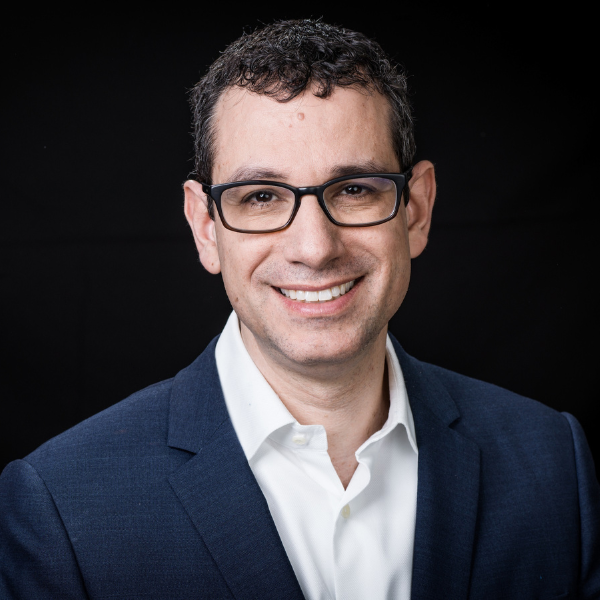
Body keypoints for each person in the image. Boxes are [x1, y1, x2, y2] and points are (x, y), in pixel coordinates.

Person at [1, 19, 598, 600]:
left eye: (355, 189)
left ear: (416, 209)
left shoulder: (554, 466)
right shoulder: (62, 507)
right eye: (261, 196)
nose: (315, 248)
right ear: (205, 226)